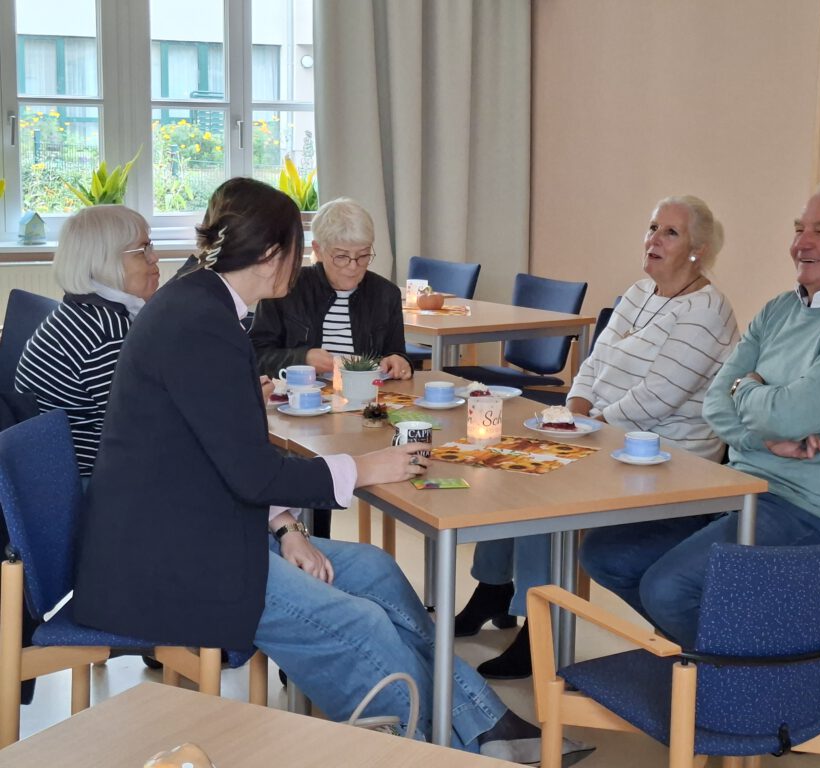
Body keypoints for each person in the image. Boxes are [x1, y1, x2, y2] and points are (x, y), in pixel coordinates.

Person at [72, 178, 590, 764]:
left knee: (373, 571)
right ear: (273, 254)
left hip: (204, 527)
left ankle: (482, 727)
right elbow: (250, 472)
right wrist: (362, 468)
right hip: (170, 558)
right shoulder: (200, 322)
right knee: (363, 624)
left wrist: (288, 529)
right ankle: (426, 750)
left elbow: (228, 457)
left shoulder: (207, 305)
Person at [580, 181, 820, 647]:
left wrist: (751, 389)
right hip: (741, 486)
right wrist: (763, 428)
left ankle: (760, 682)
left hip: (812, 513)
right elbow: (718, 403)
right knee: (607, 553)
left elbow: (783, 413)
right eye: (799, 229)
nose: (802, 243)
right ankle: (723, 659)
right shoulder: (782, 308)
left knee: (670, 588)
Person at [457, 195, 739, 678]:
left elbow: (658, 398)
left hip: (666, 457)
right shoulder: (639, 293)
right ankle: (494, 587)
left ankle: (539, 629)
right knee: (511, 465)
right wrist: (575, 410)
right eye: (653, 227)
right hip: (605, 434)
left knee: (545, 487)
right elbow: (592, 364)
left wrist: (583, 428)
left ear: (699, 249)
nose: (654, 239)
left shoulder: (707, 312)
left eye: (670, 232)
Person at [15, 204, 160, 477]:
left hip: (60, 470)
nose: (155, 258)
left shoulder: (85, 311)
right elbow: (145, 427)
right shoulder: (106, 335)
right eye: (143, 250)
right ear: (105, 261)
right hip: (90, 482)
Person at [249, 196, 412, 380]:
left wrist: (398, 361)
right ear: (318, 250)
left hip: (367, 399)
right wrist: (302, 358)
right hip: (300, 399)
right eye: (341, 256)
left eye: (363, 255)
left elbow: (396, 354)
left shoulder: (385, 294)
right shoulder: (284, 288)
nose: (353, 266)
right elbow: (255, 356)